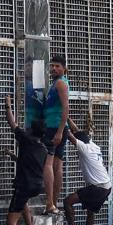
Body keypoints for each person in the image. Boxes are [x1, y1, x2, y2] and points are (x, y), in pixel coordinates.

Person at [1, 95, 47, 225]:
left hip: (25, 185)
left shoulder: (26, 139)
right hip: (37, 186)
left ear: (30, 130)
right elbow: (28, 163)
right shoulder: (42, 149)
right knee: (24, 203)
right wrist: (13, 156)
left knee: (11, 220)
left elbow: (11, 122)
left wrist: (8, 105)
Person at [63, 117, 112, 225]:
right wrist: (67, 117)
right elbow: (77, 131)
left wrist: (60, 118)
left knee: (67, 202)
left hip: (97, 187)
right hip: (106, 186)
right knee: (91, 211)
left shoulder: (84, 148)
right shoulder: (92, 144)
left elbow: (69, 135)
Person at [42, 55, 70, 214]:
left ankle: (50, 202)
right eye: (52, 66)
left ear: (64, 68)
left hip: (55, 128)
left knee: (49, 163)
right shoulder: (57, 83)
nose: (53, 68)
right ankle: (53, 203)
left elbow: (66, 108)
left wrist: (60, 131)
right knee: (57, 165)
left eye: (57, 66)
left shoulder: (60, 83)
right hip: (58, 127)